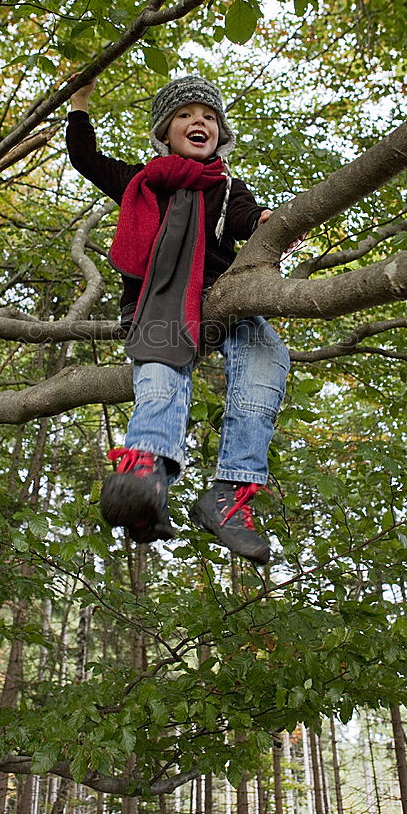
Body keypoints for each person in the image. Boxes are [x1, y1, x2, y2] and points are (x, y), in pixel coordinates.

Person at [66, 75, 290, 565]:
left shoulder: (227, 187)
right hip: (157, 302)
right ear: (165, 132)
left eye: (209, 117)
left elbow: (248, 219)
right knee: (162, 374)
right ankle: (146, 469)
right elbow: (84, 158)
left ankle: (231, 491)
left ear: (220, 134)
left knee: (266, 355)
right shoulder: (140, 182)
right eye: (187, 115)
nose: (200, 122)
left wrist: (269, 224)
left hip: (220, 299)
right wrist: (79, 103)